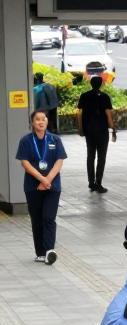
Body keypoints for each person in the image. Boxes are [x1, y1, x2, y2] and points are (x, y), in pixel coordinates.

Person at [16, 109, 67, 264]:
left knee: (49, 218)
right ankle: (40, 253)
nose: (41, 122)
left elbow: (59, 160)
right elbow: (25, 163)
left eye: (43, 119)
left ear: (47, 121)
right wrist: (41, 179)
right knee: (37, 219)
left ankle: (49, 251)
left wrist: (48, 180)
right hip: (33, 187)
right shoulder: (26, 141)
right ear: (32, 123)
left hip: (52, 186)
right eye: (37, 119)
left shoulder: (55, 140)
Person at [75, 74, 116, 194]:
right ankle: (98, 183)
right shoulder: (105, 97)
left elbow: (80, 113)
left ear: (91, 84)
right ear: (101, 84)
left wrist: (80, 128)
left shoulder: (84, 96)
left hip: (89, 130)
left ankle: (91, 182)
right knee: (101, 157)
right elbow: (108, 114)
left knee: (90, 156)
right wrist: (113, 129)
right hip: (102, 131)